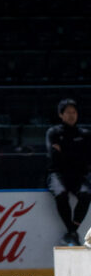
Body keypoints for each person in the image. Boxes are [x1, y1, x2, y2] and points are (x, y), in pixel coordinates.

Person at [47, 98, 91, 247]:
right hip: (57, 174)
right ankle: (72, 232)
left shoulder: (85, 134)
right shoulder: (53, 132)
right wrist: (75, 152)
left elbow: (87, 156)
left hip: (78, 175)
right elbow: (53, 155)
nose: (71, 115)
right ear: (61, 114)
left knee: (86, 194)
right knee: (60, 194)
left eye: (74, 112)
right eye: (68, 112)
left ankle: (71, 232)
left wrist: (64, 150)